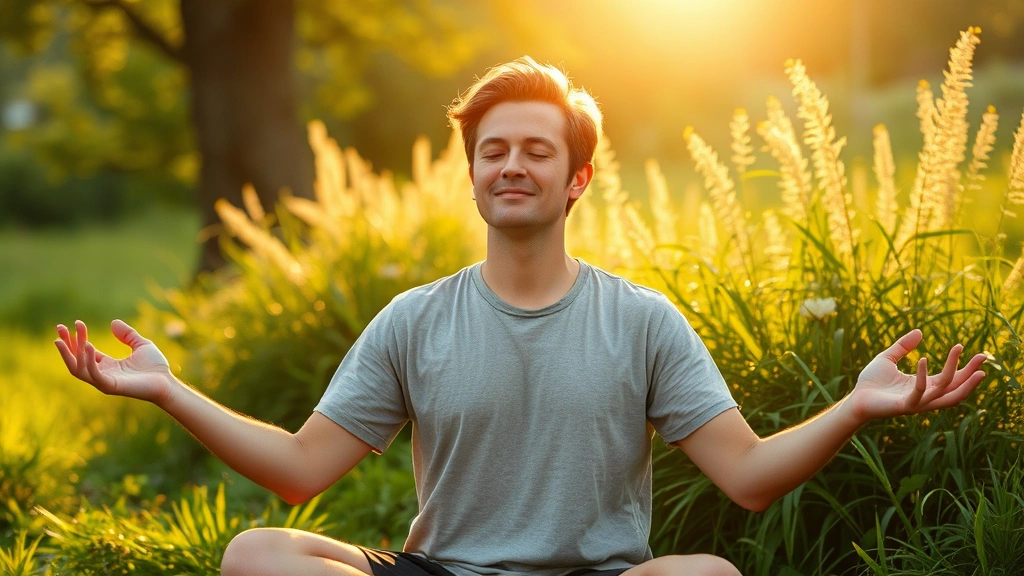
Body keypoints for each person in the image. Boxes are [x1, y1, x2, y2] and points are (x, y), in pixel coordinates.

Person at [55, 57, 988, 576]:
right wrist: (173, 393)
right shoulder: (415, 320)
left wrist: (858, 407)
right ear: (470, 176)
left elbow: (745, 477)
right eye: (492, 149)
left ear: (576, 178)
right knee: (258, 555)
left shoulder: (643, 321)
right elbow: (300, 474)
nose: (511, 164)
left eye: (536, 150)